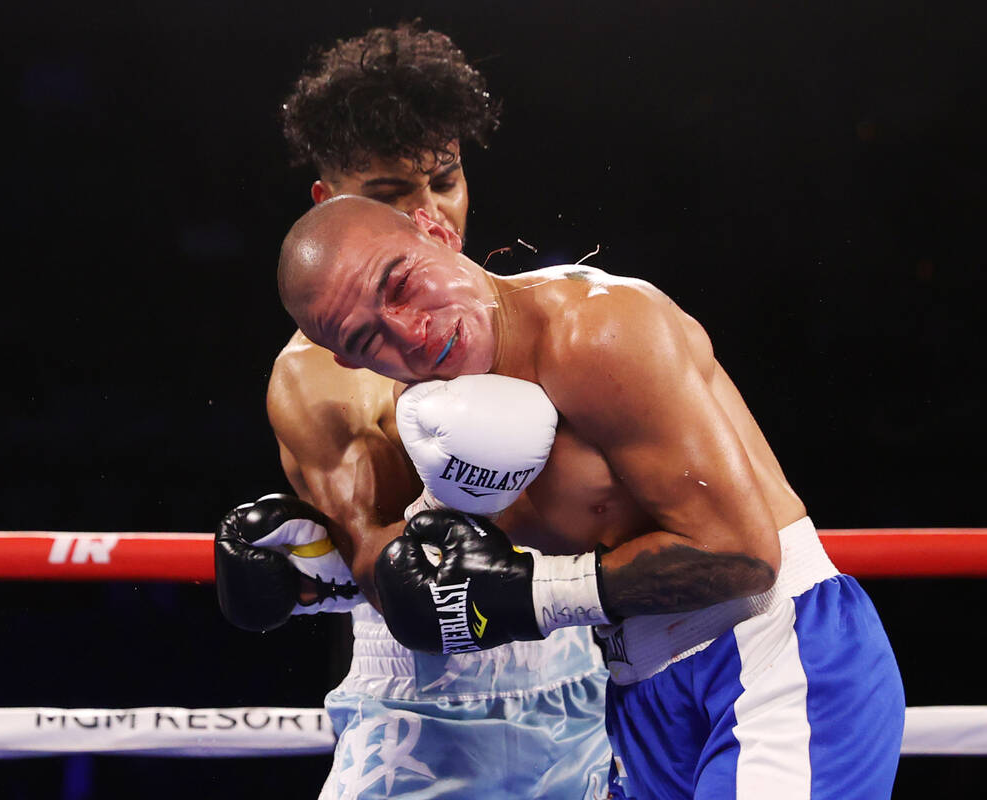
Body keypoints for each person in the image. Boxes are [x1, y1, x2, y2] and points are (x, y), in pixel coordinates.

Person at [277, 195, 907, 800]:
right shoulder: (431, 419)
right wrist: (316, 574)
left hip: (772, 651)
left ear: (437, 234)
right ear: (349, 360)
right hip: (641, 695)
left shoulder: (596, 328)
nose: (410, 333)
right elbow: (449, 577)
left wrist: (529, 596)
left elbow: (744, 555)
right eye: (368, 340)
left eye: (402, 284)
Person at [215, 23, 611, 800]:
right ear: (330, 205)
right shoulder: (320, 375)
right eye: (392, 196)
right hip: (418, 719)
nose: (433, 217)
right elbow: (393, 579)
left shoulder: (552, 323)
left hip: (582, 695)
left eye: (446, 180)